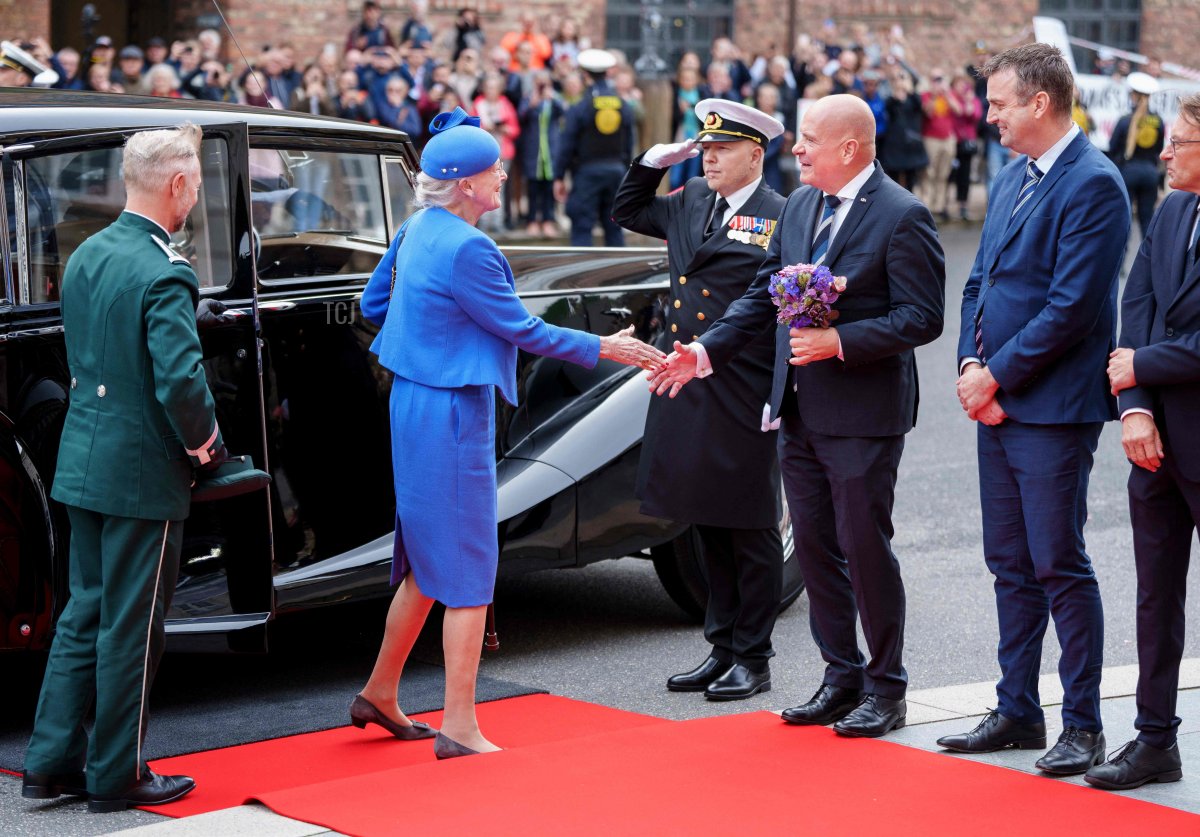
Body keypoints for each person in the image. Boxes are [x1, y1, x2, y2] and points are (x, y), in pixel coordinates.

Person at [353, 108, 663, 759]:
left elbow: (373, 305)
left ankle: (381, 691)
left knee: (425, 558)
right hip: (453, 411)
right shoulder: (471, 247)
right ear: (466, 184)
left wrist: (436, 329)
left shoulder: (417, 229)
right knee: (468, 564)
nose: (501, 175)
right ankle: (459, 724)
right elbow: (524, 331)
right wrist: (608, 345)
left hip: (410, 404)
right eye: (494, 168)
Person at [648, 94, 945, 737]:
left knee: (865, 549)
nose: (797, 148)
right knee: (812, 549)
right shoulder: (805, 203)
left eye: (809, 138)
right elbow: (762, 292)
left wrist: (842, 341)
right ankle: (840, 677)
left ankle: (886, 689)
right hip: (799, 406)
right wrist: (704, 351)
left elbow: (923, 317)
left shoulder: (903, 215)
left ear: (849, 148)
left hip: (863, 412)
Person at [21, 124, 225, 811]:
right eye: (195, 181)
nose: (196, 194)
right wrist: (205, 445)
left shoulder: (89, 254)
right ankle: (115, 772)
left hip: (83, 458)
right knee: (132, 626)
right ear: (175, 185)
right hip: (141, 471)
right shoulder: (166, 267)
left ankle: (48, 761)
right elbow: (180, 379)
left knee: (84, 613)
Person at [945, 43, 1130, 776]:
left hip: (1051, 408)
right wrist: (968, 364)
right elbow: (978, 285)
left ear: (1039, 103)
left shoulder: (1095, 184)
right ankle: (1017, 706)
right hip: (997, 400)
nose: (988, 115)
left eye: (998, 102)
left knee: (1059, 563)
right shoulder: (1016, 175)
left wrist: (994, 378)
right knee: (1009, 565)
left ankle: (1082, 724)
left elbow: (1073, 310)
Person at [612, 100, 788, 701]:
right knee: (703, 515)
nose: (709, 158)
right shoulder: (690, 200)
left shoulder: (781, 215)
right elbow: (627, 210)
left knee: (750, 523)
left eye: (723, 150)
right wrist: (650, 164)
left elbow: (770, 308)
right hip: (684, 376)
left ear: (755, 155)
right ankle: (721, 646)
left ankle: (753, 655)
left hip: (740, 380)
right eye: (704, 149)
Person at [1085, 94, 1200, 792]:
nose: (1162, 151)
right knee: (1156, 598)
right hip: (1156, 441)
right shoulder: (1172, 210)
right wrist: (1134, 408)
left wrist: (1142, 368)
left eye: (1179, 141)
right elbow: (1138, 305)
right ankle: (1155, 739)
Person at [554, 49, 633, 247]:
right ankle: (619, 278)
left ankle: (580, 277)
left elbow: (567, 144)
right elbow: (629, 143)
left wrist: (559, 176)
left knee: (582, 227)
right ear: (607, 73)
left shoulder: (580, 107)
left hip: (586, 173)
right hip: (616, 172)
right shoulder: (623, 105)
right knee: (614, 227)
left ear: (585, 75)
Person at [1109, 72, 1165, 241]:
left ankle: (1120, 267)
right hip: (1150, 174)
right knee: (1147, 221)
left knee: (1123, 220)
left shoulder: (1125, 120)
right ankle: (1149, 265)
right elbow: (1159, 150)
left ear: (1134, 95)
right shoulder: (1158, 121)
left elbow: (1113, 148)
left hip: (1128, 173)